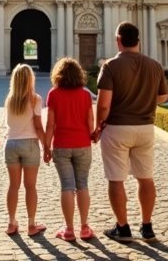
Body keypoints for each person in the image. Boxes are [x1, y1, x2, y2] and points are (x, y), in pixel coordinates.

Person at [93, 21, 168, 243]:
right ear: (138, 40)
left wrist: (98, 126)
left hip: (117, 128)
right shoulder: (154, 65)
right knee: (145, 178)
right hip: (145, 128)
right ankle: (147, 227)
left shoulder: (110, 66)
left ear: (118, 40)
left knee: (116, 179)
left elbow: (104, 104)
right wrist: (145, 98)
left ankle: (123, 228)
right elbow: (163, 97)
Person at [43, 57, 97, 241]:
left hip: (62, 145)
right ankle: (84, 227)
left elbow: (50, 124)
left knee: (67, 186)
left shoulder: (54, 94)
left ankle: (68, 229)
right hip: (83, 144)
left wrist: (46, 147)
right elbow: (90, 121)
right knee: (83, 185)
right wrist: (92, 134)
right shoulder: (85, 94)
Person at [3, 63, 47, 237]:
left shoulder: (9, 99)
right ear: (30, 80)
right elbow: (38, 125)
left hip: (11, 144)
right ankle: (31, 224)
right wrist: (46, 146)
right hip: (29, 144)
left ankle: (11, 222)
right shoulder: (35, 99)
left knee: (13, 186)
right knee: (30, 187)